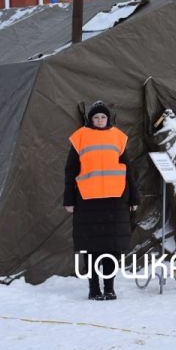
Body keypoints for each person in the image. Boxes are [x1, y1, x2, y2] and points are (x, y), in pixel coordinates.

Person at [64, 101, 140, 300]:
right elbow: (70, 170)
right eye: (96, 117)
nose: (99, 120)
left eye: (103, 117)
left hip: (115, 201)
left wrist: (133, 197)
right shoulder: (80, 137)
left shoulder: (118, 137)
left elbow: (128, 171)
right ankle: (93, 288)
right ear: (90, 119)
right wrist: (69, 200)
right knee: (91, 249)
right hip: (88, 200)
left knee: (112, 248)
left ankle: (109, 287)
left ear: (108, 118)